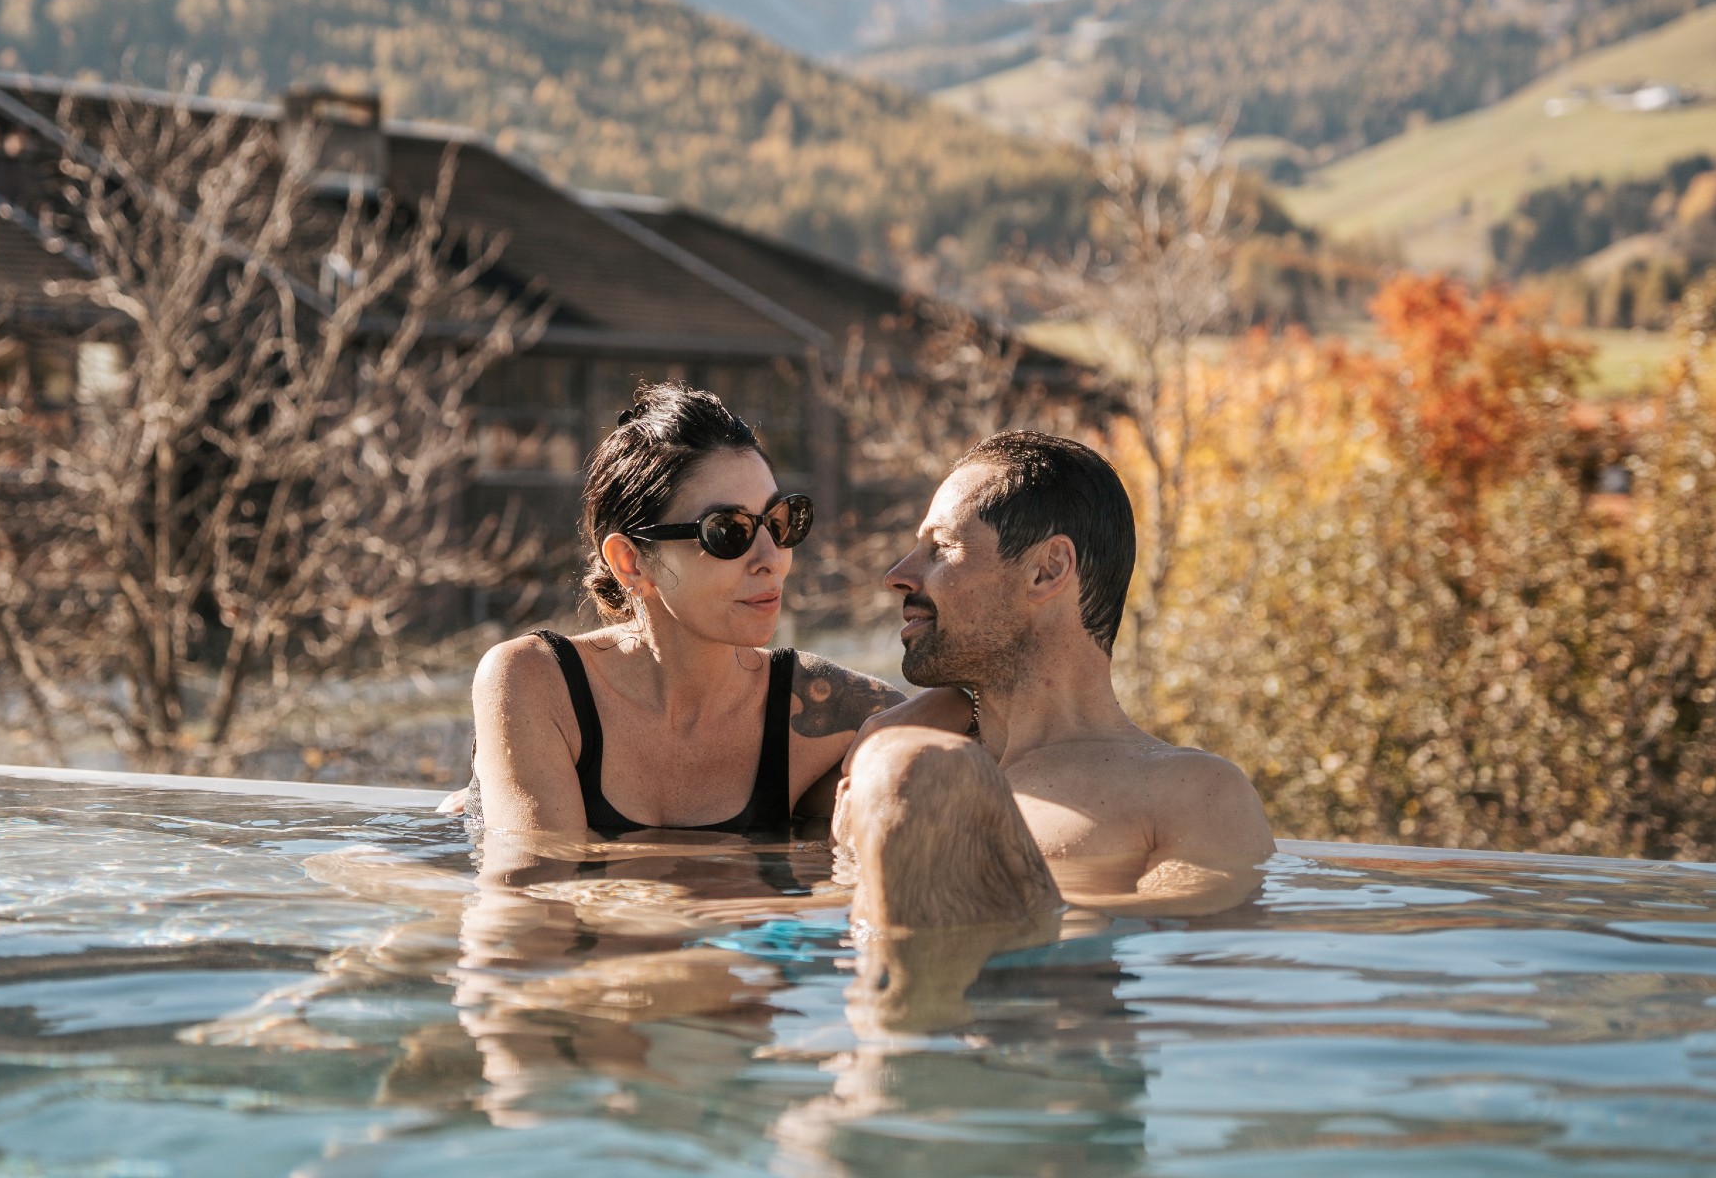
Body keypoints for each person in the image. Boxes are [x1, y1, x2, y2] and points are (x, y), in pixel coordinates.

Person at [831, 431, 1275, 1019]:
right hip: (880, 1033)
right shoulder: (901, 757)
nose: (898, 574)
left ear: (1047, 569)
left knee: (913, 773)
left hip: (1049, 1064)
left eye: (940, 549)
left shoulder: (1190, 790)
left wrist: (928, 816)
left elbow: (1209, 978)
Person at [451, 380, 904, 837]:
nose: (772, 559)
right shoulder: (538, 683)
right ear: (630, 562)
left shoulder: (824, 707)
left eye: (780, 521)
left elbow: (968, 725)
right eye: (729, 531)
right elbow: (535, 889)